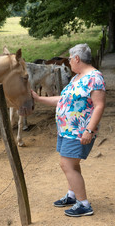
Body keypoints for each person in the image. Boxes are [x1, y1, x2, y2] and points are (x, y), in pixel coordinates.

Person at [31, 43, 106, 217]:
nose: (69, 62)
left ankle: (84, 204)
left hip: (79, 131)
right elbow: (63, 100)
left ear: (77, 59)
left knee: (66, 164)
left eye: (70, 59)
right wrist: (39, 98)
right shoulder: (77, 77)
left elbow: (99, 105)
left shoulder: (95, 77)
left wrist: (89, 130)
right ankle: (73, 196)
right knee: (72, 164)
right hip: (66, 130)